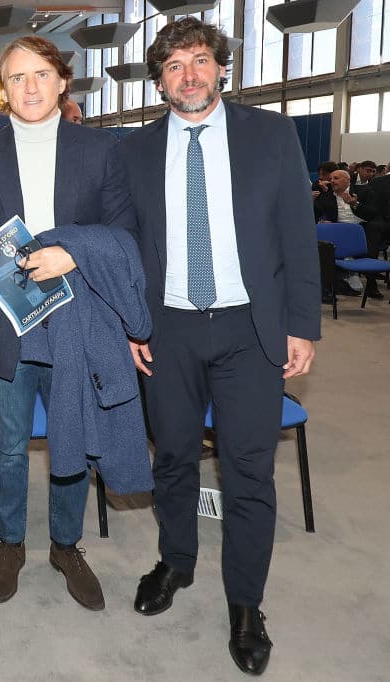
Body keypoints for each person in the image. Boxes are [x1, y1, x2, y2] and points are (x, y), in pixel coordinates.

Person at [117, 18, 320, 676]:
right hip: (167, 329)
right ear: (159, 81)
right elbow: (124, 246)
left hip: (249, 329)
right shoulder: (135, 150)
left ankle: (244, 605)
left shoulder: (270, 135)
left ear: (222, 69)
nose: (190, 76)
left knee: (248, 471)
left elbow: (296, 233)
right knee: (173, 458)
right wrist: (129, 323)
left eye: (200, 61)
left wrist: (302, 325)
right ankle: (176, 561)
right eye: (174, 66)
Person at [0, 36, 135, 609]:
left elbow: (124, 234)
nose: (29, 87)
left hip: (77, 320)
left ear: (62, 82)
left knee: (70, 440)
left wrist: (74, 254)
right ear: (2, 91)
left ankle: (65, 544)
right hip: (6, 323)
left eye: (40, 75)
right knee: (7, 444)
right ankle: (10, 543)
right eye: (16, 78)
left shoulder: (101, 151)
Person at [315, 169, 386, 298]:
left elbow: (373, 213)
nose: (332, 181)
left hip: (362, 227)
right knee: (324, 241)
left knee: (372, 232)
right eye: (331, 178)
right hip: (339, 230)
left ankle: (370, 284)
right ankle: (330, 287)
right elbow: (318, 214)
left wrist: (355, 204)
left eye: (336, 178)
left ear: (347, 180)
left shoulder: (364, 192)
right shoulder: (326, 196)